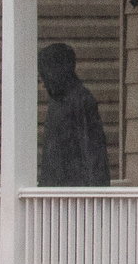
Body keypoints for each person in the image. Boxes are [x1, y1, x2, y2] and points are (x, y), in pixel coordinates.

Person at [38, 42, 111, 188]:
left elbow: (92, 152)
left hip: (76, 196)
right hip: (53, 194)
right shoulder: (56, 102)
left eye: (45, 74)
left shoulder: (80, 100)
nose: (43, 82)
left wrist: (94, 194)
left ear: (57, 71)